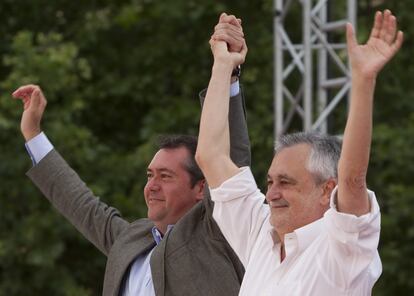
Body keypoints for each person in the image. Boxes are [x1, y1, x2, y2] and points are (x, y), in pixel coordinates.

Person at [13, 13, 249, 296]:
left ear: (201, 188)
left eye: (166, 176)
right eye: (150, 175)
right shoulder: (130, 240)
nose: (152, 186)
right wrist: (33, 134)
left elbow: (230, 158)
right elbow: (79, 203)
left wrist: (227, 72)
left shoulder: (217, 232)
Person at [196, 10, 403, 295]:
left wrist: (364, 81)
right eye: (270, 182)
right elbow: (210, 156)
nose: (272, 194)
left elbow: (353, 178)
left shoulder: (341, 250)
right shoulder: (261, 231)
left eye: (286, 182)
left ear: (327, 190)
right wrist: (223, 65)